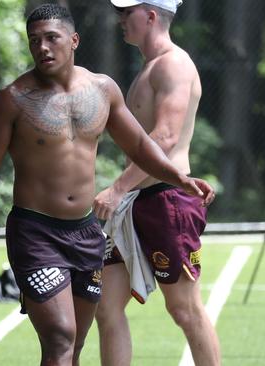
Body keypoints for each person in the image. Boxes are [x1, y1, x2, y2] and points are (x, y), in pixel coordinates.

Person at [0, 4, 214, 365]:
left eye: (52, 38)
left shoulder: (102, 90)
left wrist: (180, 179)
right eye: (35, 41)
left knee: (75, 344)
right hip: (35, 234)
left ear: (74, 40)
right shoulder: (12, 100)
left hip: (85, 234)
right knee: (60, 338)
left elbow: (141, 145)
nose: (43, 47)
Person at [94, 1, 221, 365]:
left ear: (150, 16)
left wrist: (116, 188)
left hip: (165, 202)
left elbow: (165, 136)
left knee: (184, 309)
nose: (120, 19)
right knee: (106, 307)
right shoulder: (148, 67)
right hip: (135, 201)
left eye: (127, 11)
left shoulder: (173, 64)